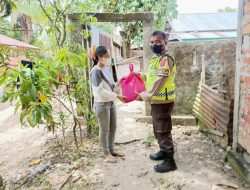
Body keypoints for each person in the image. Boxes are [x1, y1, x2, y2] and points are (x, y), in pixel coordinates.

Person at [137, 31, 177, 173]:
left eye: (158, 42)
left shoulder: (166, 59)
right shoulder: (156, 59)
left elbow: (160, 80)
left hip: (163, 101)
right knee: (157, 128)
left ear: (165, 42)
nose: (154, 45)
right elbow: (152, 77)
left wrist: (146, 95)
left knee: (163, 129)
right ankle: (163, 151)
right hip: (156, 100)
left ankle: (169, 160)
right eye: (152, 42)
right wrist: (140, 75)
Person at [90, 46, 126, 163]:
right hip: (101, 104)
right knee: (104, 130)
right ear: (100, 57)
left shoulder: (107, 69)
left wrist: (119, 83)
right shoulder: (95, 71)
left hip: (110, 103)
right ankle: (106, 153)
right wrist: (117, 96)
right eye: (107, 57)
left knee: (113, 128)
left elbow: (112, 86)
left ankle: (111, 149)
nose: (108, 59)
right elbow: (99, 91)